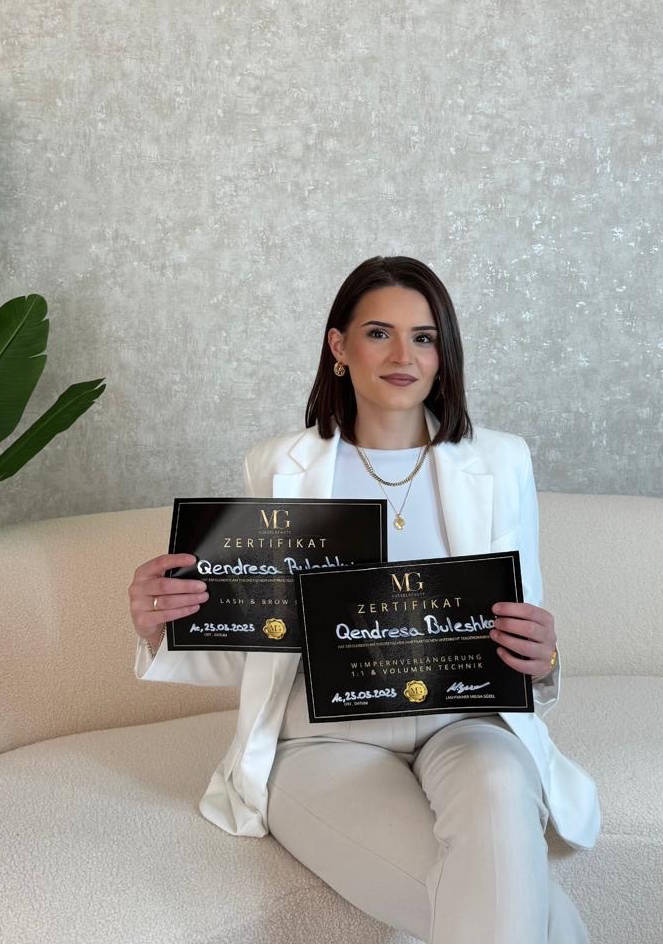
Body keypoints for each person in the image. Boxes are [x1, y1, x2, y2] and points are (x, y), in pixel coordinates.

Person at [129, 256, 601, 943]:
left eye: (424, 337)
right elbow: (266, 641)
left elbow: (522, 625)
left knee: (501, 787)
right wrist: (162, 627)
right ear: (339, 347)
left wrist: (542, 654)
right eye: (379, 333)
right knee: (525, 910)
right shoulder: (278, 465)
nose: (403, 356)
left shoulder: (501, 463)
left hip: (465, 723)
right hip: (324, 737)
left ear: (443, 355)